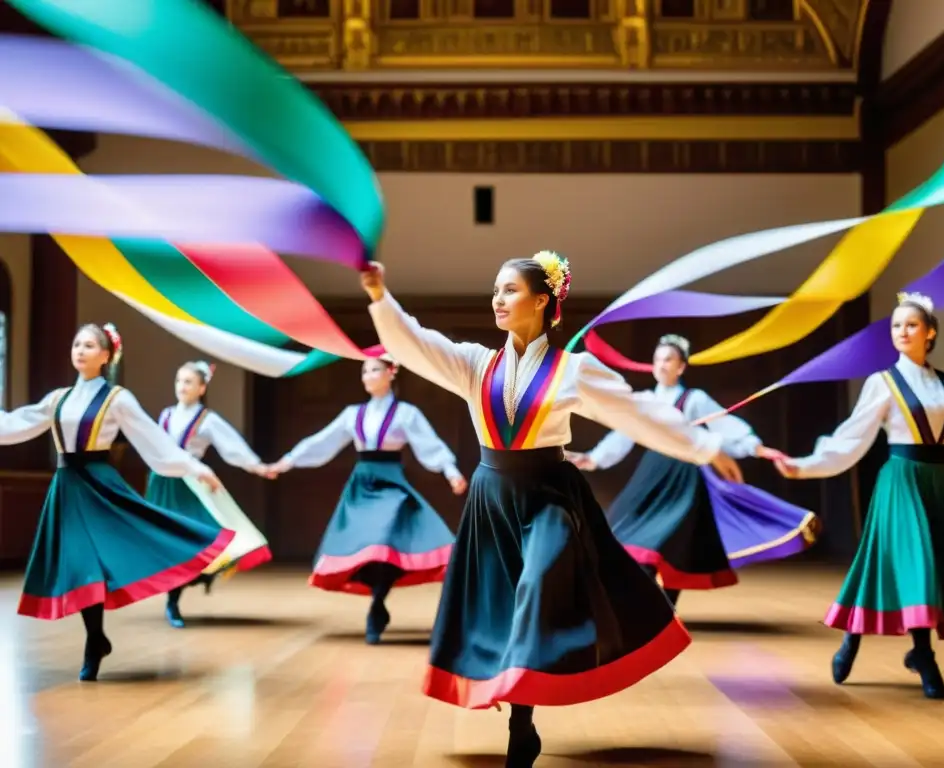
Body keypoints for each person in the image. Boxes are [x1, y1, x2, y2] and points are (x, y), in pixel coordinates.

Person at [361, 251, 743, 767]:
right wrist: (381, 299)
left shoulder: (573, 371)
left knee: (538, 587)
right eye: (495, 289)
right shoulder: (476, 364)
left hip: (549, 496)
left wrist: (704, 448)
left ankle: (521, 722)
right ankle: (523, 711)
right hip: (492, 499)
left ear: (542, 301)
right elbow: (415, 345)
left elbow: (637, 413)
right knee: (501, 606)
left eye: (510, 290)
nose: (498, 299)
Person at [775, 292, 944, 699]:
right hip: (900, 484)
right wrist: (804, 465)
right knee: (914, 565)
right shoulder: (882, 382)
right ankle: (922, 654)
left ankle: (858, 641)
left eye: (910, 325)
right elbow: (850, 439)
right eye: (895, 326)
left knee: (937, 563)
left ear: (930, 333)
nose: (901, 332)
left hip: (938, 484)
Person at [0, 323, 232, 681]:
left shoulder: (117, 398)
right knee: (80, 565)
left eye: (90, 345)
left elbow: (153, 439)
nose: (80, 350)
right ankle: (96, 638)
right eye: (77, 343)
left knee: (98, 562)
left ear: (106, 356)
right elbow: (16, 424)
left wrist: (194, 467)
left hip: (100, 485)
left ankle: (94, 643)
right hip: (67, 487)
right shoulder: (57, 398)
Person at [566, 334, 817, 605]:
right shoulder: (645, 400)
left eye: (668, 359)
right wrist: (593, 459)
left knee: (673, 540)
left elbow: (726, 426)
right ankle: (643, 604)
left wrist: (756, 448)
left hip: (684, 478)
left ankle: (663, 606)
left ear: (681, 367)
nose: (662, 365)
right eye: (658, 360)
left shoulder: (693, 399)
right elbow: (623, 434)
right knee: (628, 533)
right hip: (652, 476)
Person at [267, 354, 466, 644]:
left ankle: (377, 603)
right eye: (364, 371)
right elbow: (323, 442)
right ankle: (378, 596)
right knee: (368, 548)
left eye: (374, 370)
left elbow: (430, 446)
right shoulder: (353, 414)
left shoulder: (406, 413)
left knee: (384, 539)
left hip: (391, 482)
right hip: (362, 484)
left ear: (391, 373)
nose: (367, 376)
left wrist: (451, 472)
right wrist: (286, 462)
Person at [147, 360, 274, 629]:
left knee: (197, 538)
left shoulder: (208, 419)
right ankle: (174, 597)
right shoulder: (166, 414)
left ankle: (188, 586)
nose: (182, 386)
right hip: (164, 482)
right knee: (168, 541)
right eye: (179, 381)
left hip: (192, 485)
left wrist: (257, 466)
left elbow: (233, 447)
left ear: (202, 388)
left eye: (189, 382)